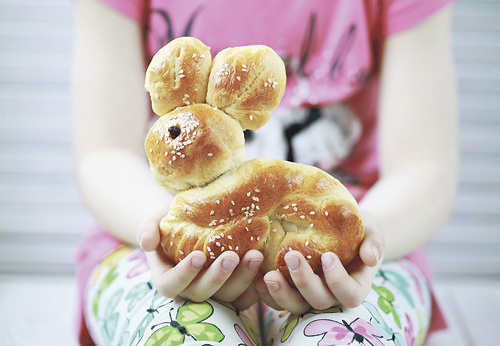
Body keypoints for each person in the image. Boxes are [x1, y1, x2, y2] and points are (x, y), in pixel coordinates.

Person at [72, 0, 458, 345]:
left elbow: (425, 168)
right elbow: (104, 155)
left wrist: (368, 241)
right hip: (145, 240)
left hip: (360, 250)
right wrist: (162, 233)